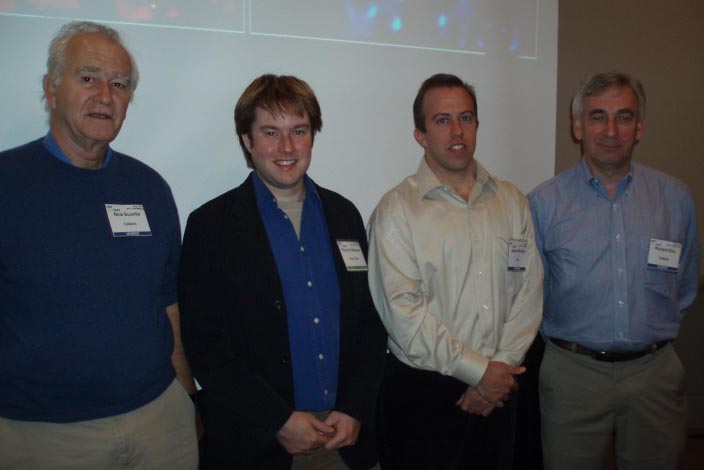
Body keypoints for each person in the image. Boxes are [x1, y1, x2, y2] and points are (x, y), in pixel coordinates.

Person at [0, 21, 198, 469]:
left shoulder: (149, 187)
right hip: (41, 433)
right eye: (87, 78)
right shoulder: (7, 183)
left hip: (158, 419)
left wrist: (187, 397)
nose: (105, 95)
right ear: (51, 89)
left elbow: (169, 303)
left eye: (119, 84)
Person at [178, 74, 387, 469]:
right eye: (271, 132)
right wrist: (276, 420)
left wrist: (356, 407)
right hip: (260, 442)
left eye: (299, 131)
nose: (287, 147)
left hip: (346, 439)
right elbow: (205, 345)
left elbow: (369, 323)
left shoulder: (344, 215)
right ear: (247, 140)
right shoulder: (211, 226)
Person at [367, 73, 543, 469]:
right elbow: (403, 315)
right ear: (420, 134)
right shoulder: (396, 210)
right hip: (424, 394)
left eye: (466, 117)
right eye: (442, 120)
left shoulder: (512, 201)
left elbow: (529, 292)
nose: (457, 130)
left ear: (478, 125)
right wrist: (479, 372)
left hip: (501, 386)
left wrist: (496, 373)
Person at [529, 72, 700, 470]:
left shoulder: (674, 199)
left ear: (639, 127)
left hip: (654, 375)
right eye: (597, 116)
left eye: (623, 117)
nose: (610, 130)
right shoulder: (543, 203)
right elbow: (530, 294)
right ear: (577, 126)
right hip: (572, 375)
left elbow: (686, 286)